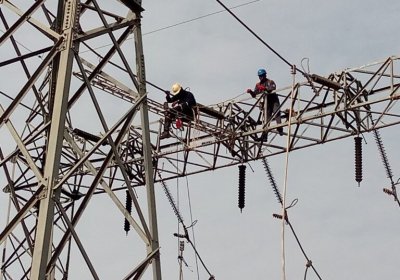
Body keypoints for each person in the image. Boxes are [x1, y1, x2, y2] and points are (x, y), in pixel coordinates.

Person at [246, 68, 283, 139]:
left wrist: (265, 88)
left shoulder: (270, 82)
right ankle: (264, 136)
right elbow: (254, 94)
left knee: (276, 113)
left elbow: (273, 89)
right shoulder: (258, 85)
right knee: (266, 119)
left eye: (262, 76)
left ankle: (279, 128)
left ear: (265, 75)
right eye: (260, 76)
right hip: (267, 102)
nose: (261, 77)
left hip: (274, 100)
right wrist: (250, 92)